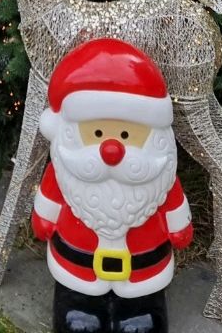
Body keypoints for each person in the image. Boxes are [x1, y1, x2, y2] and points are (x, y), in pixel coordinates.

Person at [32, 39, 192, 333]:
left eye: (127, 134)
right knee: (77, 310)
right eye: (96, 133)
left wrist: (179, 227)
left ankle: (140, 311)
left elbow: (173, 203)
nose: (111, 149)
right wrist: (43, 218)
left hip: (144, 268)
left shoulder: (160, 175)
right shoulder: (65, 172)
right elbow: (49, 203)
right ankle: (78, 306)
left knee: (142, 313)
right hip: (76, 264)